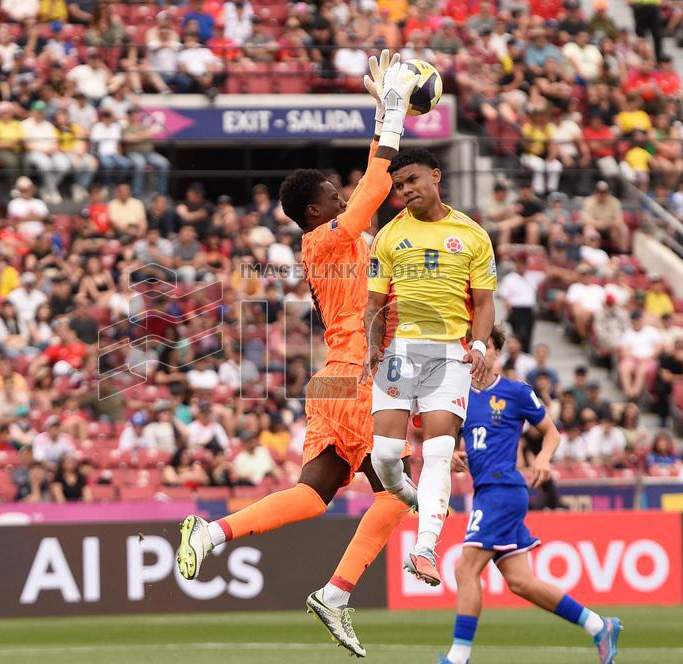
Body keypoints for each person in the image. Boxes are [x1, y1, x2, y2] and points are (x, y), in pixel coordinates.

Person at [176, 52, 418, 658]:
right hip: (361, 377)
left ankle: (213, 533)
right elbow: (381, 183)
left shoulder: (331, 243)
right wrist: (391, 112)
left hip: (336, 377)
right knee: (397, 491)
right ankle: (336, 592)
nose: (344, 200)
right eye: (335, 196)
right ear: (316, 211)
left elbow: (375, 190)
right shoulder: (330, 238)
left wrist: (384, 115)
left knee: (313, 494)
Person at [438, 328, 622, 664]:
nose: (477, 354)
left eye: (485, 348)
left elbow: (551, 433)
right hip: (486, 492)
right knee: (521, 582)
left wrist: (542, 457)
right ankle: (599, 625)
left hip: (503, 489)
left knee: (465, 571)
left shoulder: (515, 392)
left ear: (496, 354)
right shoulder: (458, 397)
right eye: (470, 348)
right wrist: (450, 451)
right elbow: (447, 436)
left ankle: (458, 657)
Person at [366, 144, 497, 587]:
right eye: (398, 186)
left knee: (438, 450)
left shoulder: (473, 235)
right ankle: (409, 495)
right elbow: (374, 302)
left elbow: (484, 303)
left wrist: (479, 345)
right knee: (384, 456)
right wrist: (372, 345)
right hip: (400, 350)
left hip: (449, 354)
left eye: (412, 181)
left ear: (436, 177)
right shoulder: (388, 236)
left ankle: (424, 550)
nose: (405, 191)